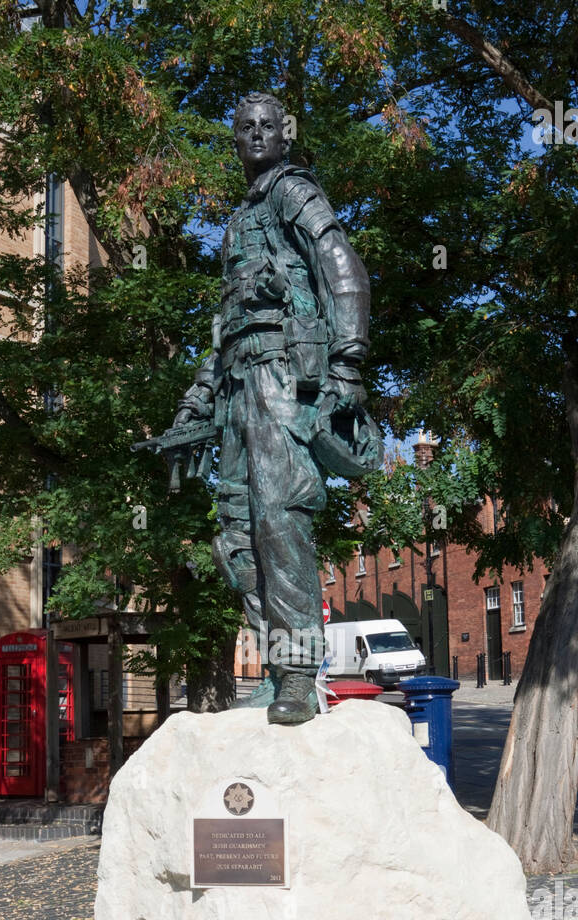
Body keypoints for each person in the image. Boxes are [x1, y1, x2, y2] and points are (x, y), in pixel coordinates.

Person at [171, 90, 380, 725]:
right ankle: (273, 667)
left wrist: (347, 360)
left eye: (268, 126)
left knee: (277, 516)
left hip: (279, 381)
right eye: (245, 127)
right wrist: (195, 402)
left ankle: (296, 674)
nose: (257, 135)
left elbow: (342, 265)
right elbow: (226, 323)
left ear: (283, 137)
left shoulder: (294, 192)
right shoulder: (240, 220)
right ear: (234, 140)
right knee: (234, 532)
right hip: (237, 388)